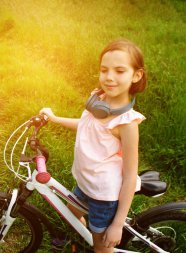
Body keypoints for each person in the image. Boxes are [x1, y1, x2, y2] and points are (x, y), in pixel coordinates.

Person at [40, 39, 147, 253]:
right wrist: (54, 119)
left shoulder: (126, 123)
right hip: (86, 181)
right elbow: (87, 126)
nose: (109, 77)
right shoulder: (98, 100)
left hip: (104, 196)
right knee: (71, 212)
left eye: (119, 71)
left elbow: (129, 176)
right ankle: (83, 238)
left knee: (102, 247)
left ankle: (97, 244)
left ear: (136, 75)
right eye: (104, 70)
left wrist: (117, 225)